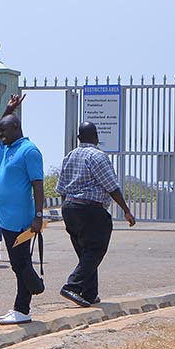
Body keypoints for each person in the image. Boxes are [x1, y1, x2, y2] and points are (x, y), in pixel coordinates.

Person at [56, 123, 135, 307]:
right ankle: (72, 286)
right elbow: (111, 186)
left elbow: (61, 188)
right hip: (90, 209)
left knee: (86, 253)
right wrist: (126, 210)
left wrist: (67, 210)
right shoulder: (97, 156)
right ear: (96, 137)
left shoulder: (70, 156)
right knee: (95, 250)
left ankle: (90, 293)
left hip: (70, 208)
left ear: (79, 138)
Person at [0, 94, 49, 326]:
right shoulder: (7, 148)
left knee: (21, 263)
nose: (1, 136)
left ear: (16, 128)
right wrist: (7, 110)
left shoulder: (29, 151)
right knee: (18, 263)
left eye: (4, 131)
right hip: (6, 219)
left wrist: (38, 216)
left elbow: (38, 185)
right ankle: (22, 305)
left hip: (22, 220)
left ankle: (22, 308)